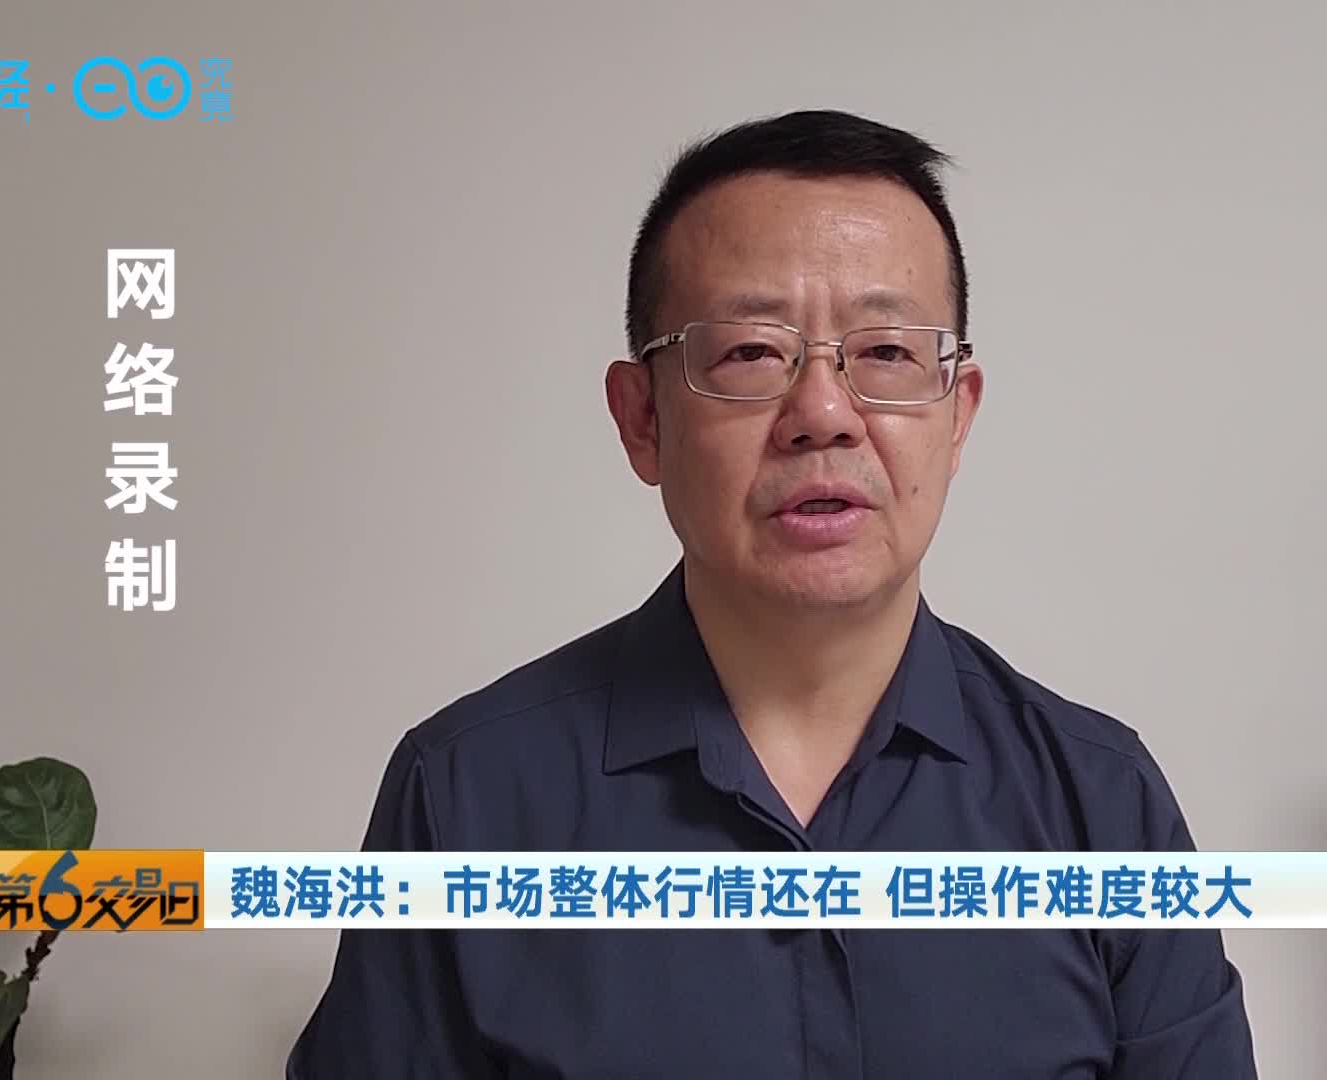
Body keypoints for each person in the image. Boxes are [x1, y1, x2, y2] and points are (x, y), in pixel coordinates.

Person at [287, 108, 1257, 1079]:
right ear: (642, 419)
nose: (823, 414)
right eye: (751, 352)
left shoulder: (1102, 807)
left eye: (886, 353)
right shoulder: (467, 801)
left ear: (956, 415)